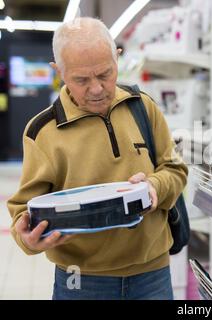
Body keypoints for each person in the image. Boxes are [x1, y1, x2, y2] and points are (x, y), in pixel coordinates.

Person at [7, 17, 188, 300]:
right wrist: (27, 239)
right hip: (81, 279)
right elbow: (23, 209)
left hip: (152, 273)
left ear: (117, 58)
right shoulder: (42, 131)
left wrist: (154, 186)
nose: (96, 88)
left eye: (105, 74)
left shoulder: (143, 107)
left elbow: (175, 169)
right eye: (81, 79)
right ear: (59, 72)